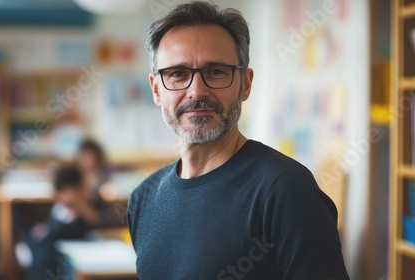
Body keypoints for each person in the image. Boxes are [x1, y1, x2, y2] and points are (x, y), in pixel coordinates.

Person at [127, 2, 350, 280]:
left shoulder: (286, 191)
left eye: (216, 72)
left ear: (244, 84)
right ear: (156, 89)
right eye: (177, 74)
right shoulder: (143, 199)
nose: (196, 91)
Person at [23, 139, 120, 280]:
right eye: (85, 157)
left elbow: (98, 220)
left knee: (44, 245)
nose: (88, 162)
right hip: (62, 228)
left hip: (79, 233)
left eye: (91, 158)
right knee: (37, 240)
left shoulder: (99, 185)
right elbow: (60, 206)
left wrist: (81, 205)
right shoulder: (71, 175)